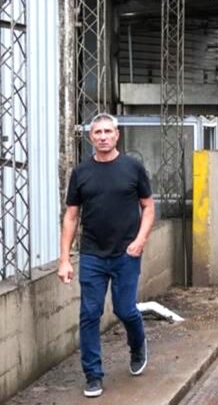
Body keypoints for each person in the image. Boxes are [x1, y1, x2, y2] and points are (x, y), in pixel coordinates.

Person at [58, 113, 156, 399]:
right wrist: (64, 259)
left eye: (107, 131)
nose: (102, 136)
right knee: (89, 313)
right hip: (92, 255)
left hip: (127, 253)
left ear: (117, 135)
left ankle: (138, 346)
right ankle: (93, 375)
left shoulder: (133, 168)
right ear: (90, 138)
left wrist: (140, 241)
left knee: (125, 310)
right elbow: (71, 216)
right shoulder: (81, 173)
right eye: (97, 132)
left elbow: (148, 207)